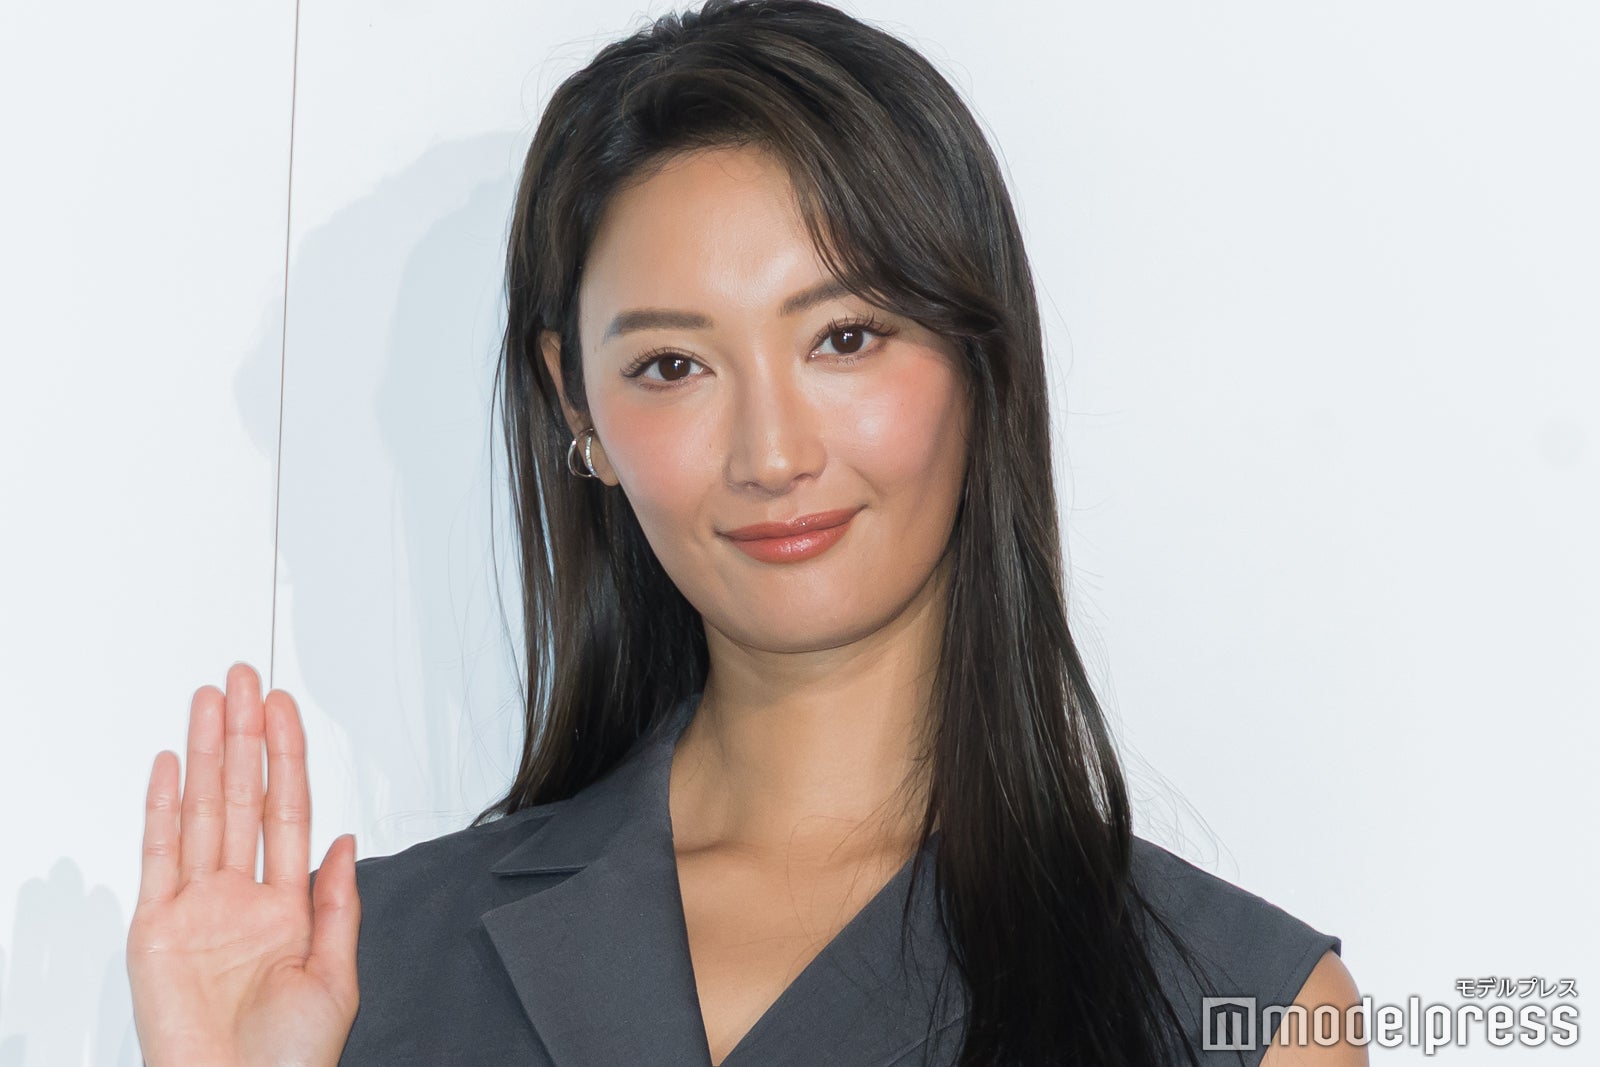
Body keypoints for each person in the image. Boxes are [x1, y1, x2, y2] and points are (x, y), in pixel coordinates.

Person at [127, 1, 1365, 1064]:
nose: (771, 453)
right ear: (577, 403)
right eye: (673, 364)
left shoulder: (1245, 1008)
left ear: (977, 355)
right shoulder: (359, 967)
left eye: (845, 337)